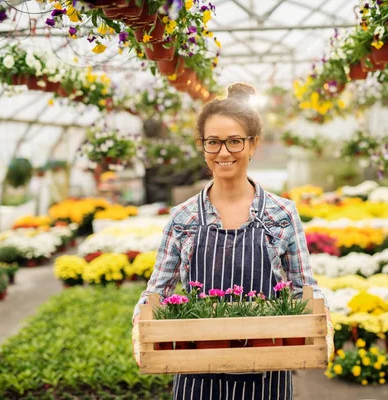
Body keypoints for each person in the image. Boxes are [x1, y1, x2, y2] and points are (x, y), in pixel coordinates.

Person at [132, 82, 333, 400]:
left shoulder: (281, 214)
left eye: (235, 142)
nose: (223, 152)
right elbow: (157, 291)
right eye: (213, 142)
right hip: (197, 370)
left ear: (254, 145)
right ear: (202, 146)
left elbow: (302, 287)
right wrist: (139, 323)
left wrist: (325, 319)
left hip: (267, 370)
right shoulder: (183, 218)